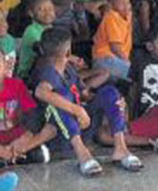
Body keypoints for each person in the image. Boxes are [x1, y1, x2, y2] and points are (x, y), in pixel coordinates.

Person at [34, 28, 143, 177]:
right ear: (68, 52)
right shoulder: (46, 71)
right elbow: (41, 92)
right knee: (60, 97)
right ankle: (82, 154)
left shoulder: (69, 70)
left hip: (82, 125)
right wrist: (77, 110)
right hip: (61, 135)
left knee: (110, 92)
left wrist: (115, 103)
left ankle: (121, 149)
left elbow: (84, 95)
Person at [0, 49, 56, 166]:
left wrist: (27, 136)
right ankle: (9, 159)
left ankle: (13, 156)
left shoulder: (16, 85)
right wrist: (2, 151)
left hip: (17, 140)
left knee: (42, 154)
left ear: (5, 65)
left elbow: (33, 114)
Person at [91, 0, 133, 81]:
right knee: (135, 74)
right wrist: (127, 62)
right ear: (112, 6)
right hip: (105, 58)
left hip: (117, 59)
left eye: (128, 2)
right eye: (121, 3)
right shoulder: (111, 17)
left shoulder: (128, 15)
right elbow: (115, 47)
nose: (126, 6)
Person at [17, 0, 55, 80]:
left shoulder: (51, 28)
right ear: (31, 13)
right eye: (41, 9)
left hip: (46, 69)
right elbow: (44, 51)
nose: (47, 12)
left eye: (50, 8)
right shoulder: (31, 30)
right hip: (28, 75)